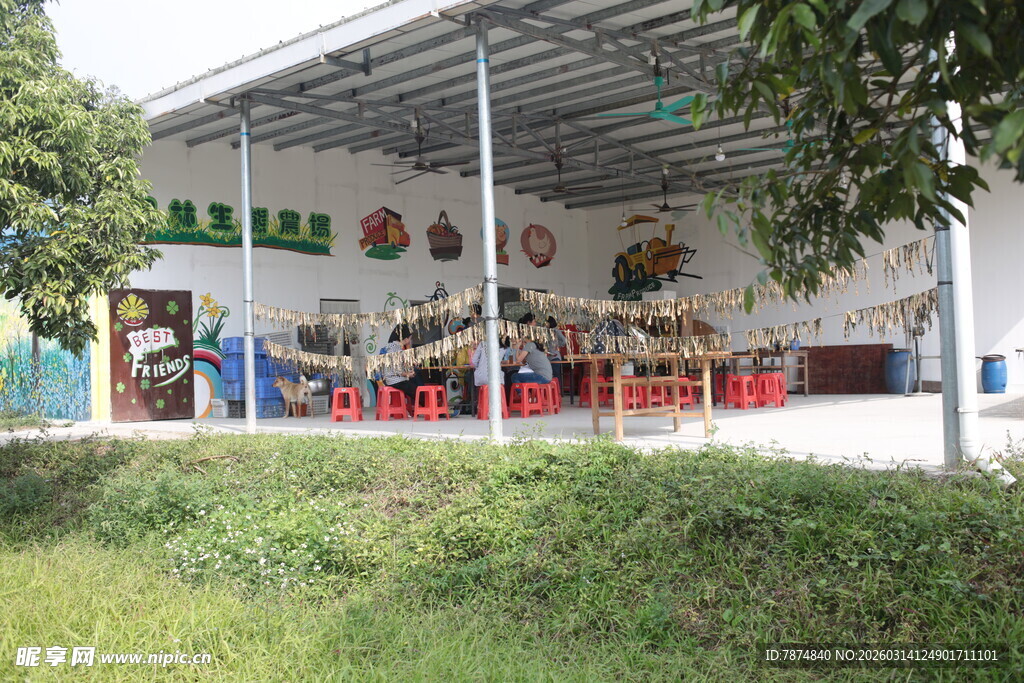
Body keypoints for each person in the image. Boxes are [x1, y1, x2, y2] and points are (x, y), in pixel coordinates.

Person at [382, 324, 421, 405]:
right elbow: (396, 370)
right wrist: (407, 374)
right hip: (395, 380)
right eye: (410, 338)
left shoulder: (394, 346)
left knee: (417, 380)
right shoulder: (395, 349)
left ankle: (421, 407)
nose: (410, 340)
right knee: (419, 391)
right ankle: (432, 408)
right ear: (406, 338)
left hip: (395, 379)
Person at [545, 316, 568, 387]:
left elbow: (564, 340)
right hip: (546, 358)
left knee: (556, 375)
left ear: (550, 323)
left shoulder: (556, 331)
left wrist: (557, 345)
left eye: (546, 322)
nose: (545, 324)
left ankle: (558, 391)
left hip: (555, 357)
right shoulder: (545, 331)